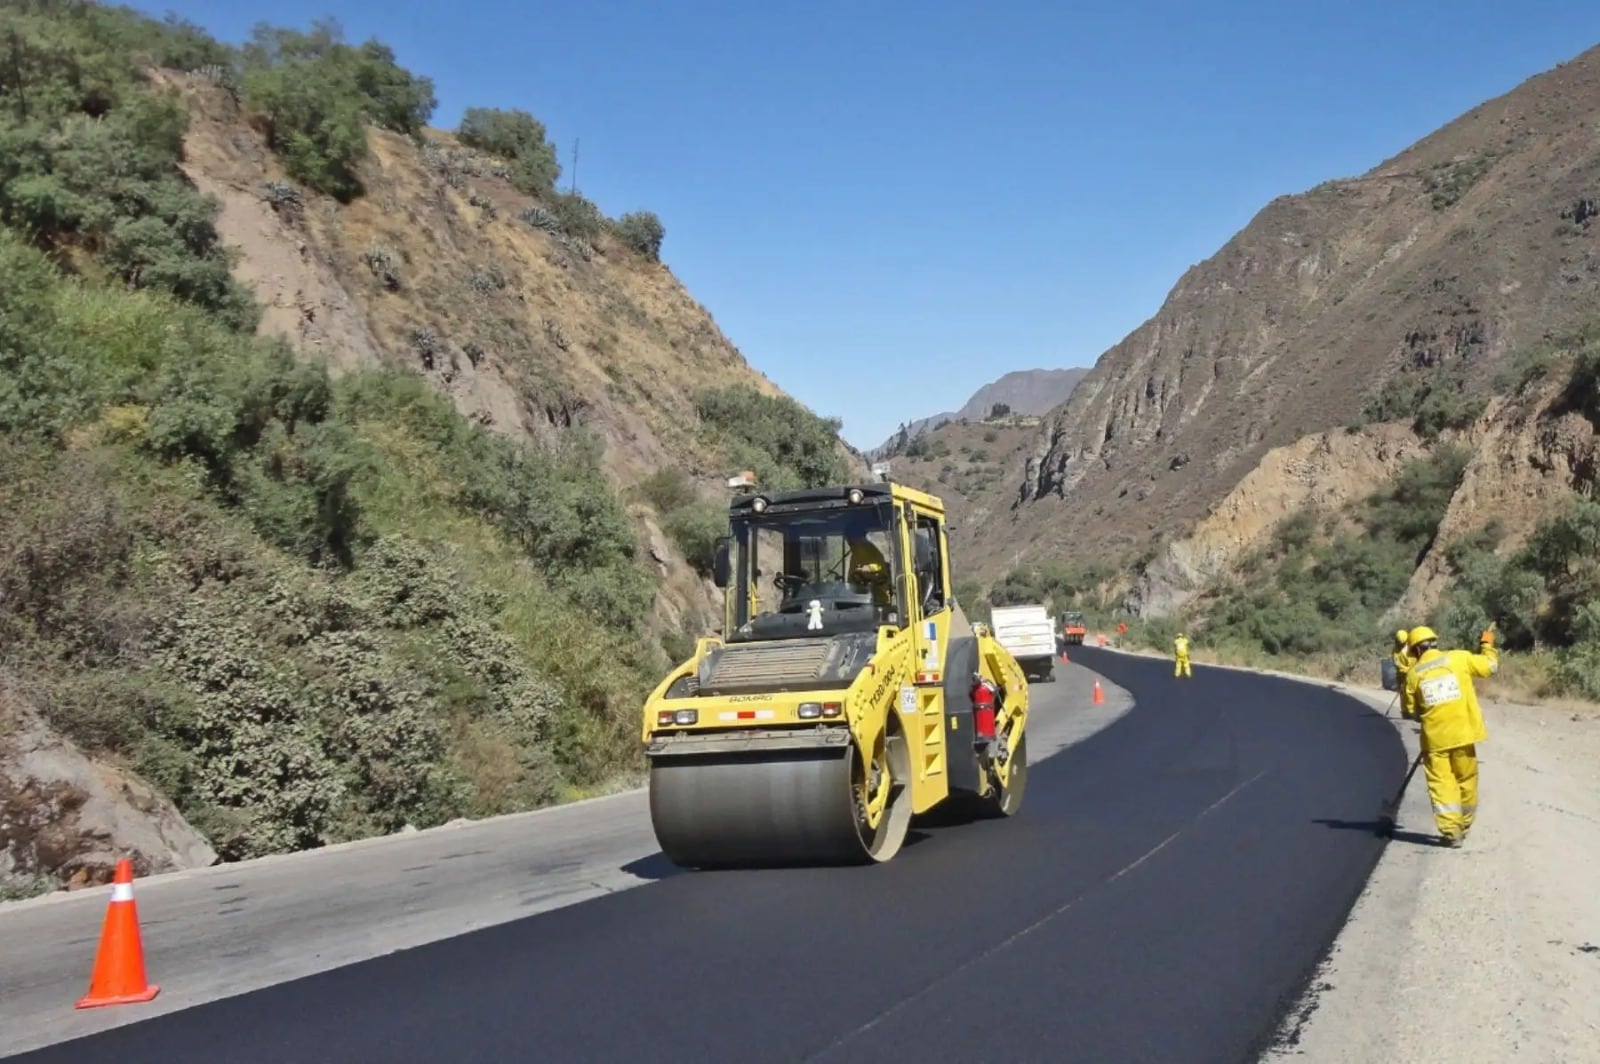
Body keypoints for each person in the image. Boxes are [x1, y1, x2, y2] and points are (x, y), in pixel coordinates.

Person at [1402, 623, 1498, 847]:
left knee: (1442, 784)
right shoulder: (1459, 658)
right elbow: (1490, 667)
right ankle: (1464, 823)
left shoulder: (1413, 675)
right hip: (1464, 734)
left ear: (1416, 650)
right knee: (1466, 780)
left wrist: (1425, 711)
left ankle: (1451, 831)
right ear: (1435, 643)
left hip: (1435, 741)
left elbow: (1410, 712)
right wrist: (1487, 641)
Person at [845, 535, 892, 607]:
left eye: (850, 539)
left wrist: (869, 568)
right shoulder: (855, 554)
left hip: (878, 600)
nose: (849, 542)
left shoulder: (870, 549)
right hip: (859, 599)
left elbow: (879, 566)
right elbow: (852, 576)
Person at [1392, 628, 1415, 717]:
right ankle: (1405, 711)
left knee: (1412, 692)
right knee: (1403, 692)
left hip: (1414, 673)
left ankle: (1414, 709)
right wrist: (1406, 670)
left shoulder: (1411, 647)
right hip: (1402, 675)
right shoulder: (1395, 651)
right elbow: (1397, 664)